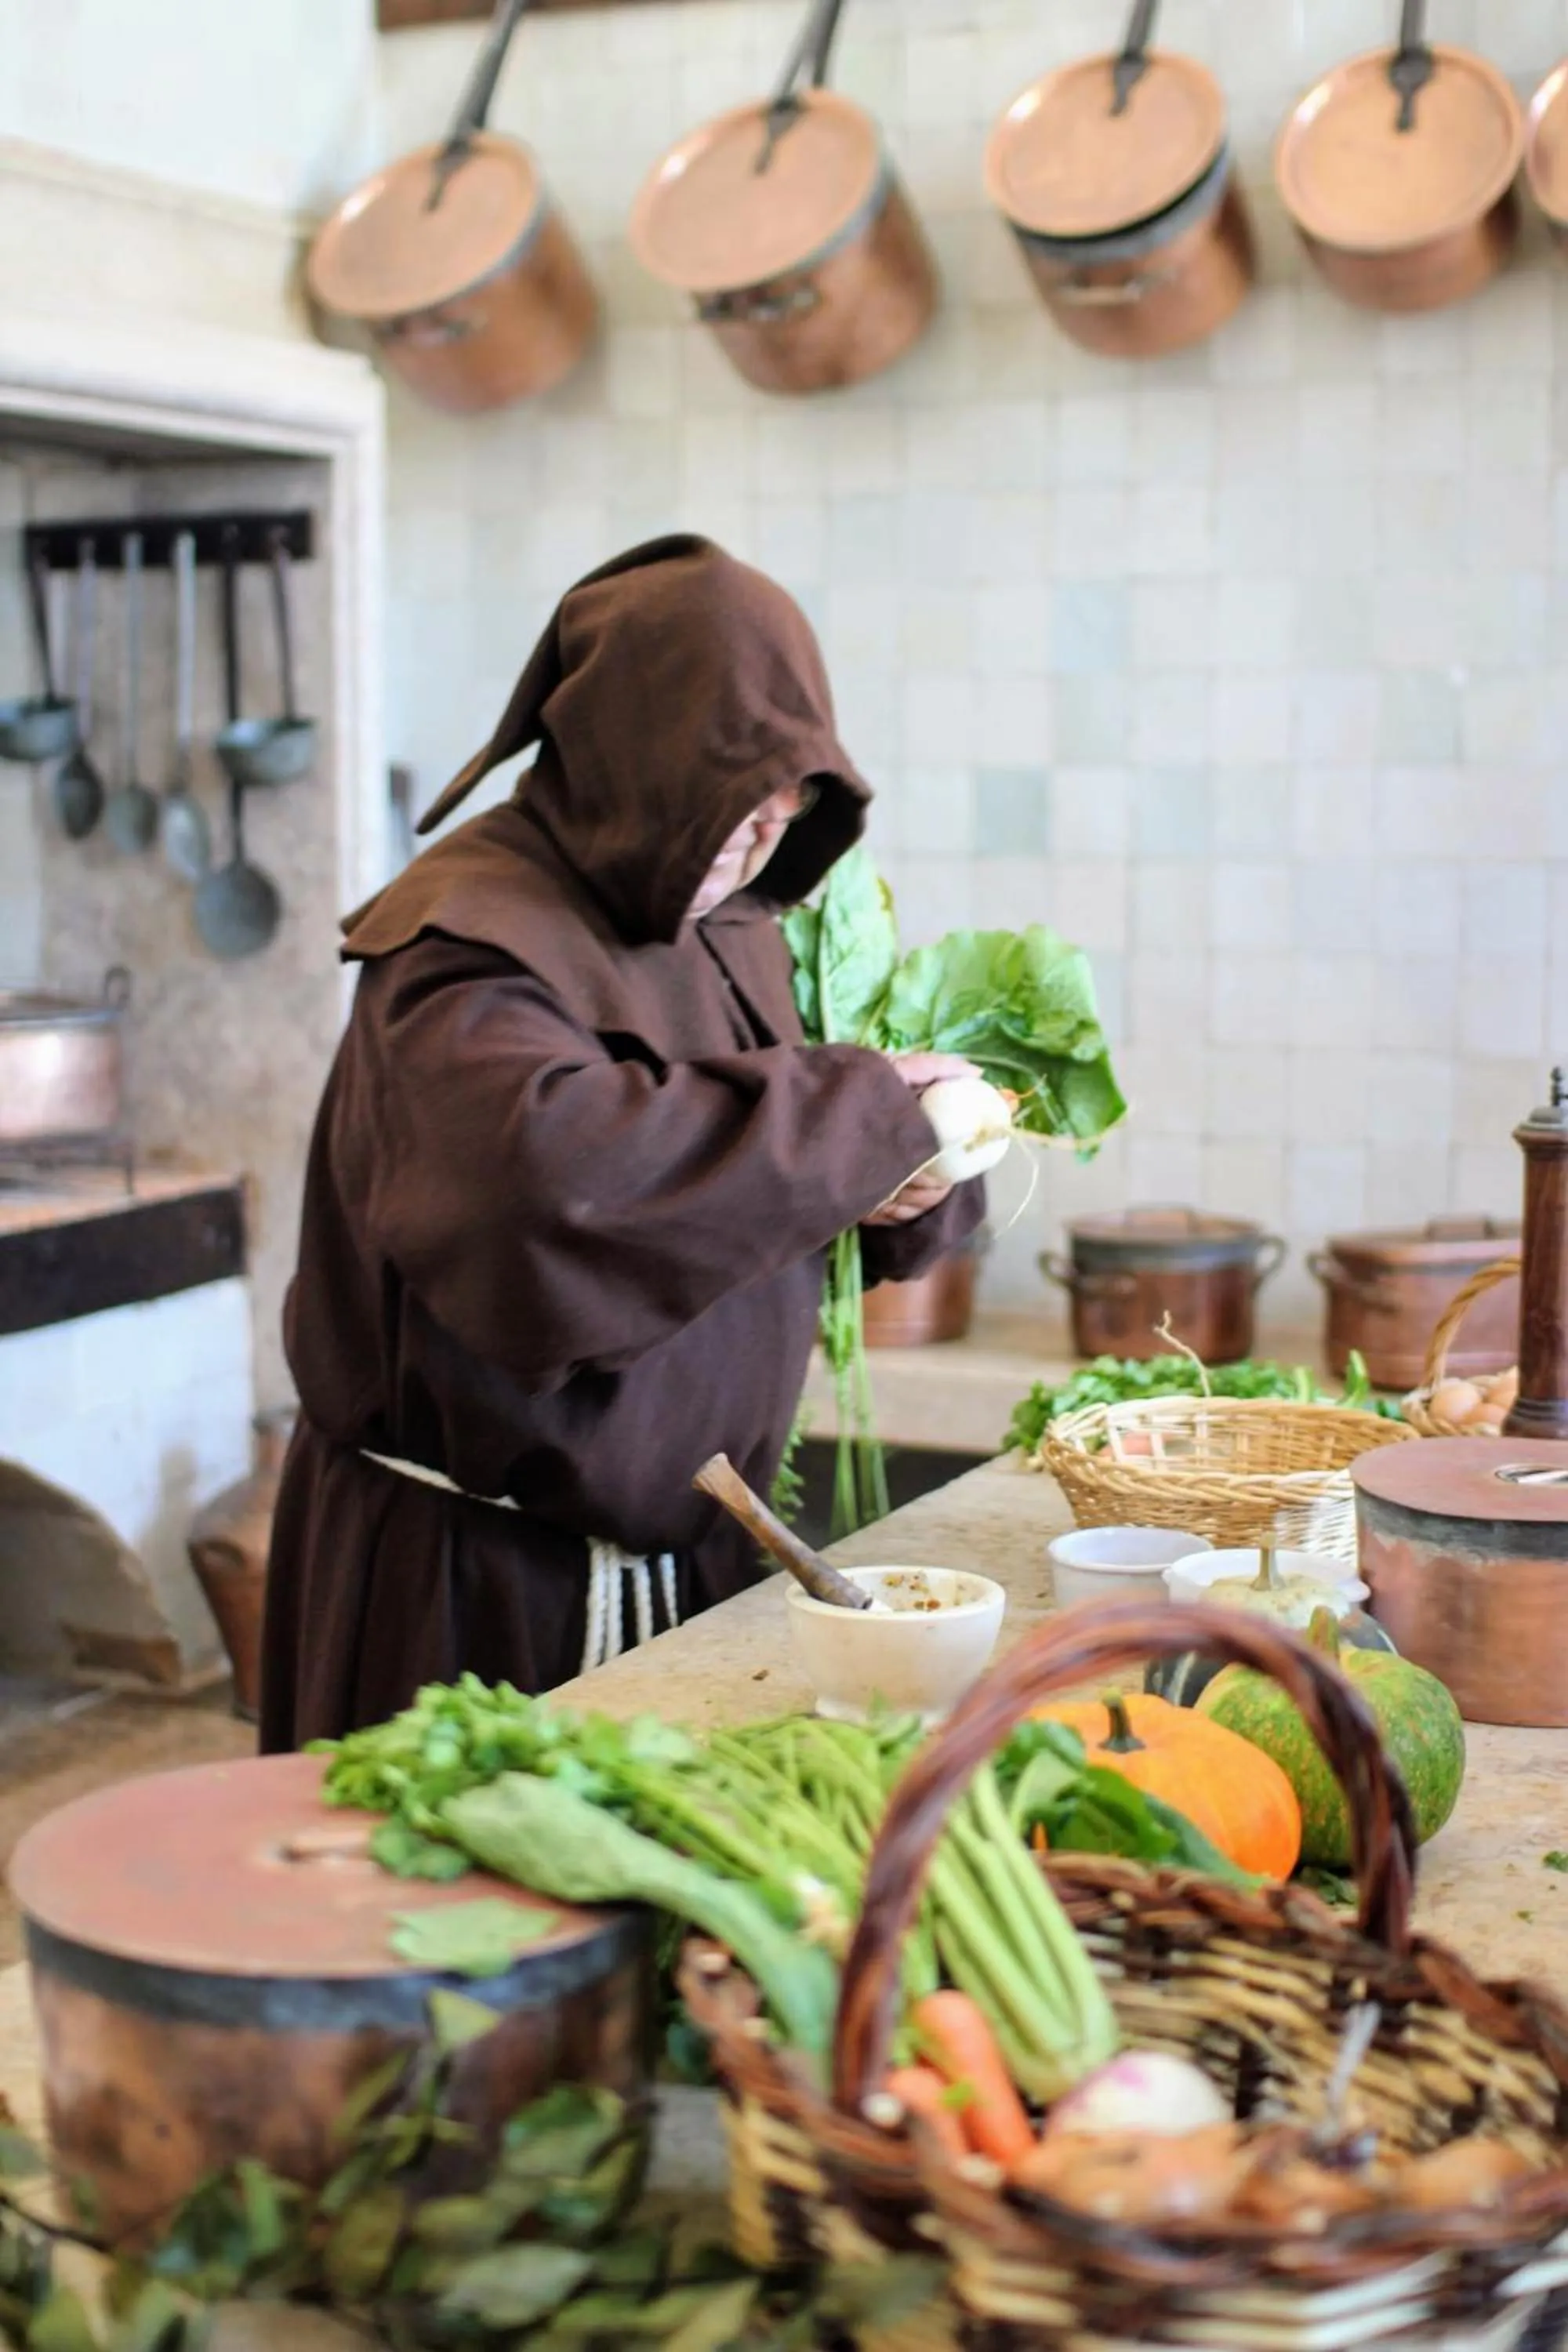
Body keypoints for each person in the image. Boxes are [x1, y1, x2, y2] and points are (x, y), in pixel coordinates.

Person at [259, 535, 982, 1751]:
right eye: (728, 817)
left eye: (778, 817)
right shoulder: (464, 939)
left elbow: (727, 1183)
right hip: (478, 1598)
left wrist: (895, 1185)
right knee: (459, 1930)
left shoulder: (727, 919)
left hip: (688, 1564)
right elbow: (548, 1194)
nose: (753, 853)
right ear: (630, 766)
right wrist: (846, 1118)